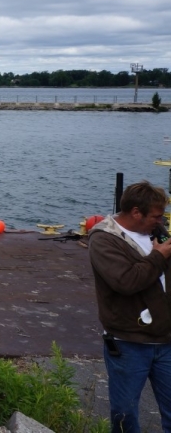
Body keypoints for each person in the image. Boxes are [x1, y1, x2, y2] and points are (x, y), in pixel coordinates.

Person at [89, 180, 171, 433]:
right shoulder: (104, 240)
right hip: (128, 342)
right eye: (156, 216)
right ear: (136, 212)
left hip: (166, 340)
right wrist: (159, 256)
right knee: (124, 414)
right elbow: (126, 281)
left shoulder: (158, 232)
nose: (161, 221)